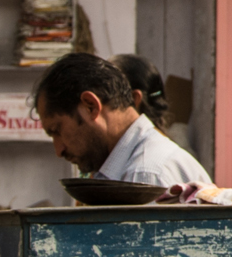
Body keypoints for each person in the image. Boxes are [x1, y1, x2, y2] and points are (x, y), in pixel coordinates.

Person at [35, 52, 211, 187]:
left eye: (57, 130)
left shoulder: (143, 177)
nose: (59, 150)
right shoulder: (137, 166)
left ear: (91, 106)